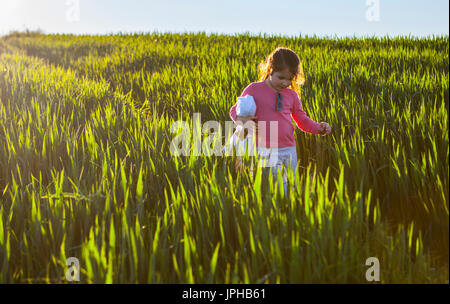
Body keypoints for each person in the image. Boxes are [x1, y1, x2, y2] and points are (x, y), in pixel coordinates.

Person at [229, 47, 332, 194]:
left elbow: (301, 120)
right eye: (281, 77)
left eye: (290, 79)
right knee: (278, 188)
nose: (285, 83)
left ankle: (290, 212)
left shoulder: (291, 95)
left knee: (293, 186)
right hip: (265, 150)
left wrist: (318, 127)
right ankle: (276, 211)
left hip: (289, 149)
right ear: (270, 69)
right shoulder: (254, 89)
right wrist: (243, 120)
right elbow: (234, 110)